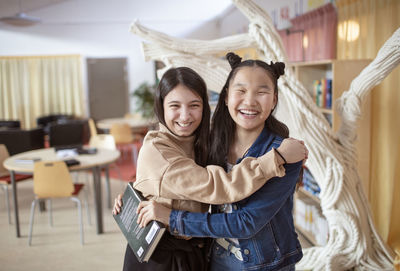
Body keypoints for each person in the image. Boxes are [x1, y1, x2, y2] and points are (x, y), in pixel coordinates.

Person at [114, 66, 307, 271]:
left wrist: (135, 194)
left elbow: (246, 221)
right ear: (226, 98)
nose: (185, 115)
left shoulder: (205, 141)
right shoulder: (268, 154)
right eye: (174, 105)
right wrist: (275, 158)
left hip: (227, 256)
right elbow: (217, 186)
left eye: (194, 105)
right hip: (162, 255)